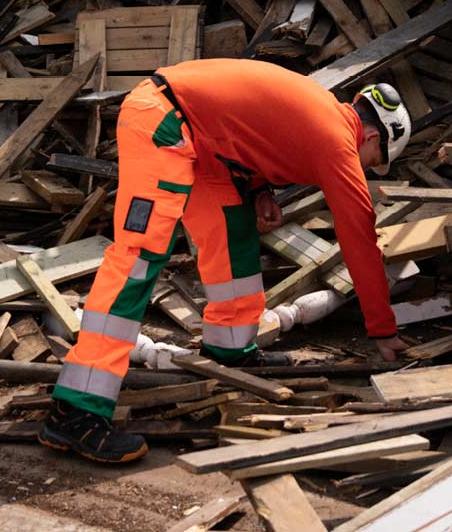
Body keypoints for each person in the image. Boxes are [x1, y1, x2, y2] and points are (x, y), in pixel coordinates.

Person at [38, 59, 412, 463]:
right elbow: (359, 237)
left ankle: (230, 348)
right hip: (163, 120)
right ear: (372, 135)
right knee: (139, 257)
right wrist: (382, 329)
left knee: (234, 231)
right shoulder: (337, 141)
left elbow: (249, 132)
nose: (366, 170)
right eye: (373, 160)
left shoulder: (322, 115)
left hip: (201, 140)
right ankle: (76, 410)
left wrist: (261, 188)